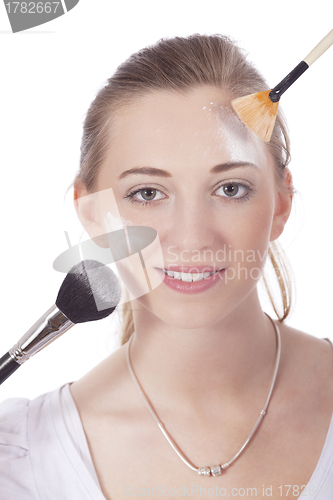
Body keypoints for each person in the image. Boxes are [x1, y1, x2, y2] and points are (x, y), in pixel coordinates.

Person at [0, 34, 332, 500]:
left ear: (281, 203)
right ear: (93, 212)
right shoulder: (18, 463)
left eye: (231, 188)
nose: (192, 238)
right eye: (148, 194)